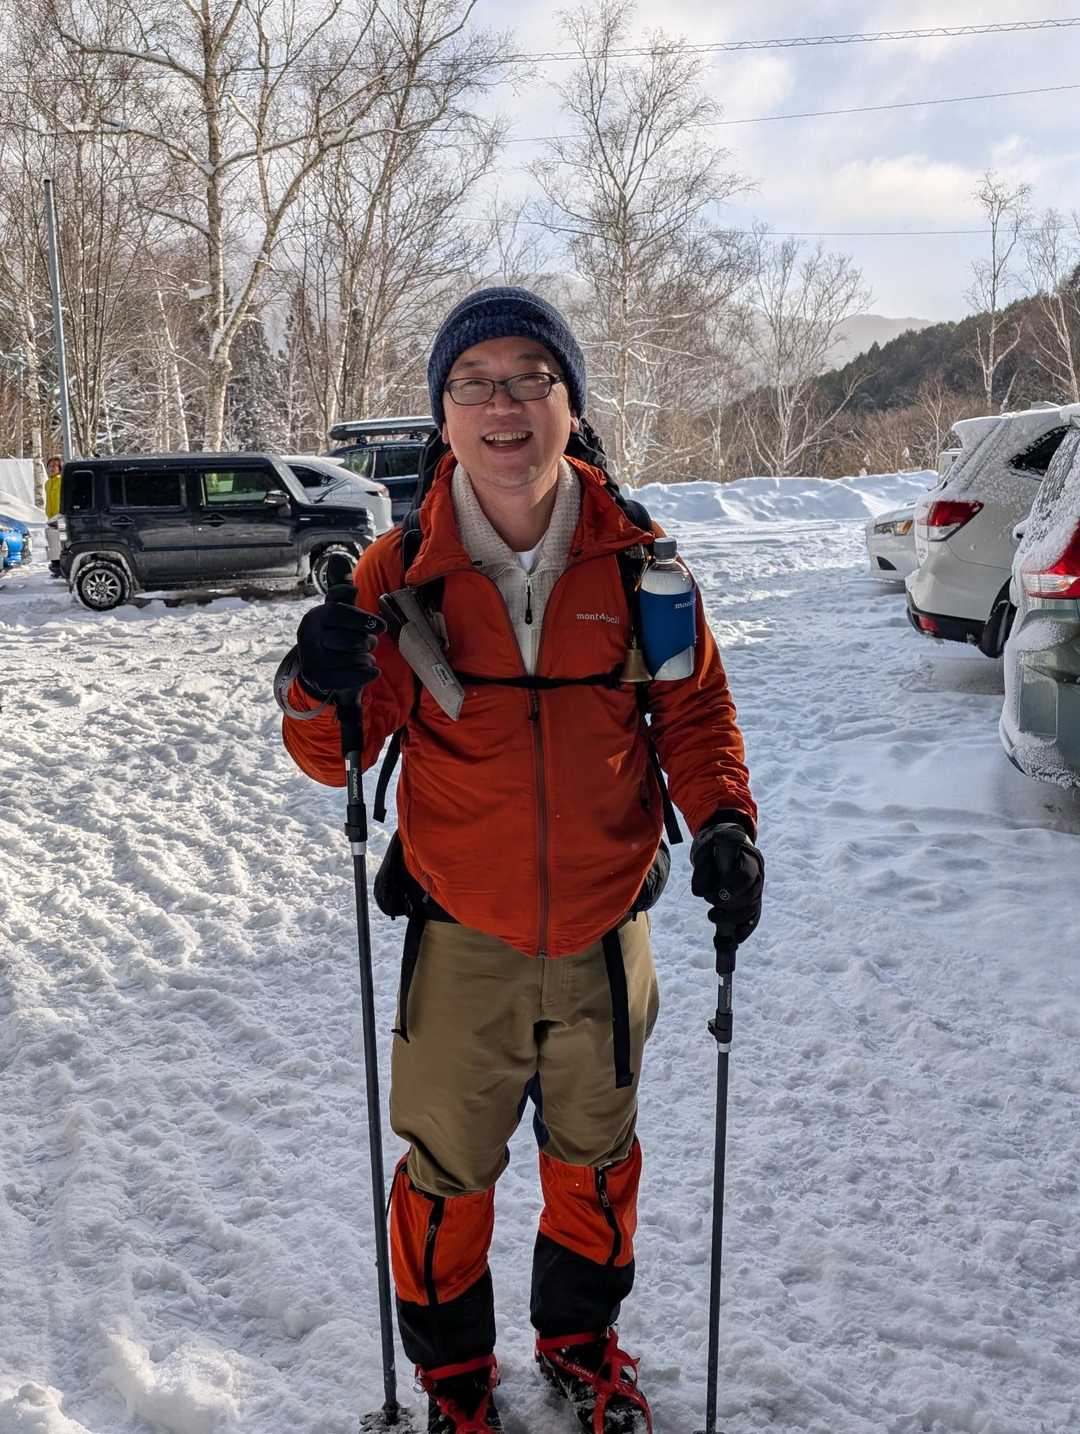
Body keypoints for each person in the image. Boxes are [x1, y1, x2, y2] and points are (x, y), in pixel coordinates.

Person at [279, 288, 763, 1432]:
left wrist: (725, 823)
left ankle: (579, 1346)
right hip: (463, 937)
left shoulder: (641, 561)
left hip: (605, 931)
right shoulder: (399, 573)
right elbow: (337, 751)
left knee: (596, 1163)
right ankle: (454, 1380)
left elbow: (694, 713)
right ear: (444, 415)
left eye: (529, 379)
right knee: (447, 1175)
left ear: (569, 403)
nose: (503, 405)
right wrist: (314, 684)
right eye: (474, 383)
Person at [44, 455, 63, 577]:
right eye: (50, 466)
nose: (52, 468)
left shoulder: (62, 481)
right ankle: (55, 565)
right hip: (50, 517)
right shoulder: (47, 483)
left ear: (60, 468)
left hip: (60, 516)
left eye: (55, 466)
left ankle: (60, 567)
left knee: (59, 543)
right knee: (52, 543)